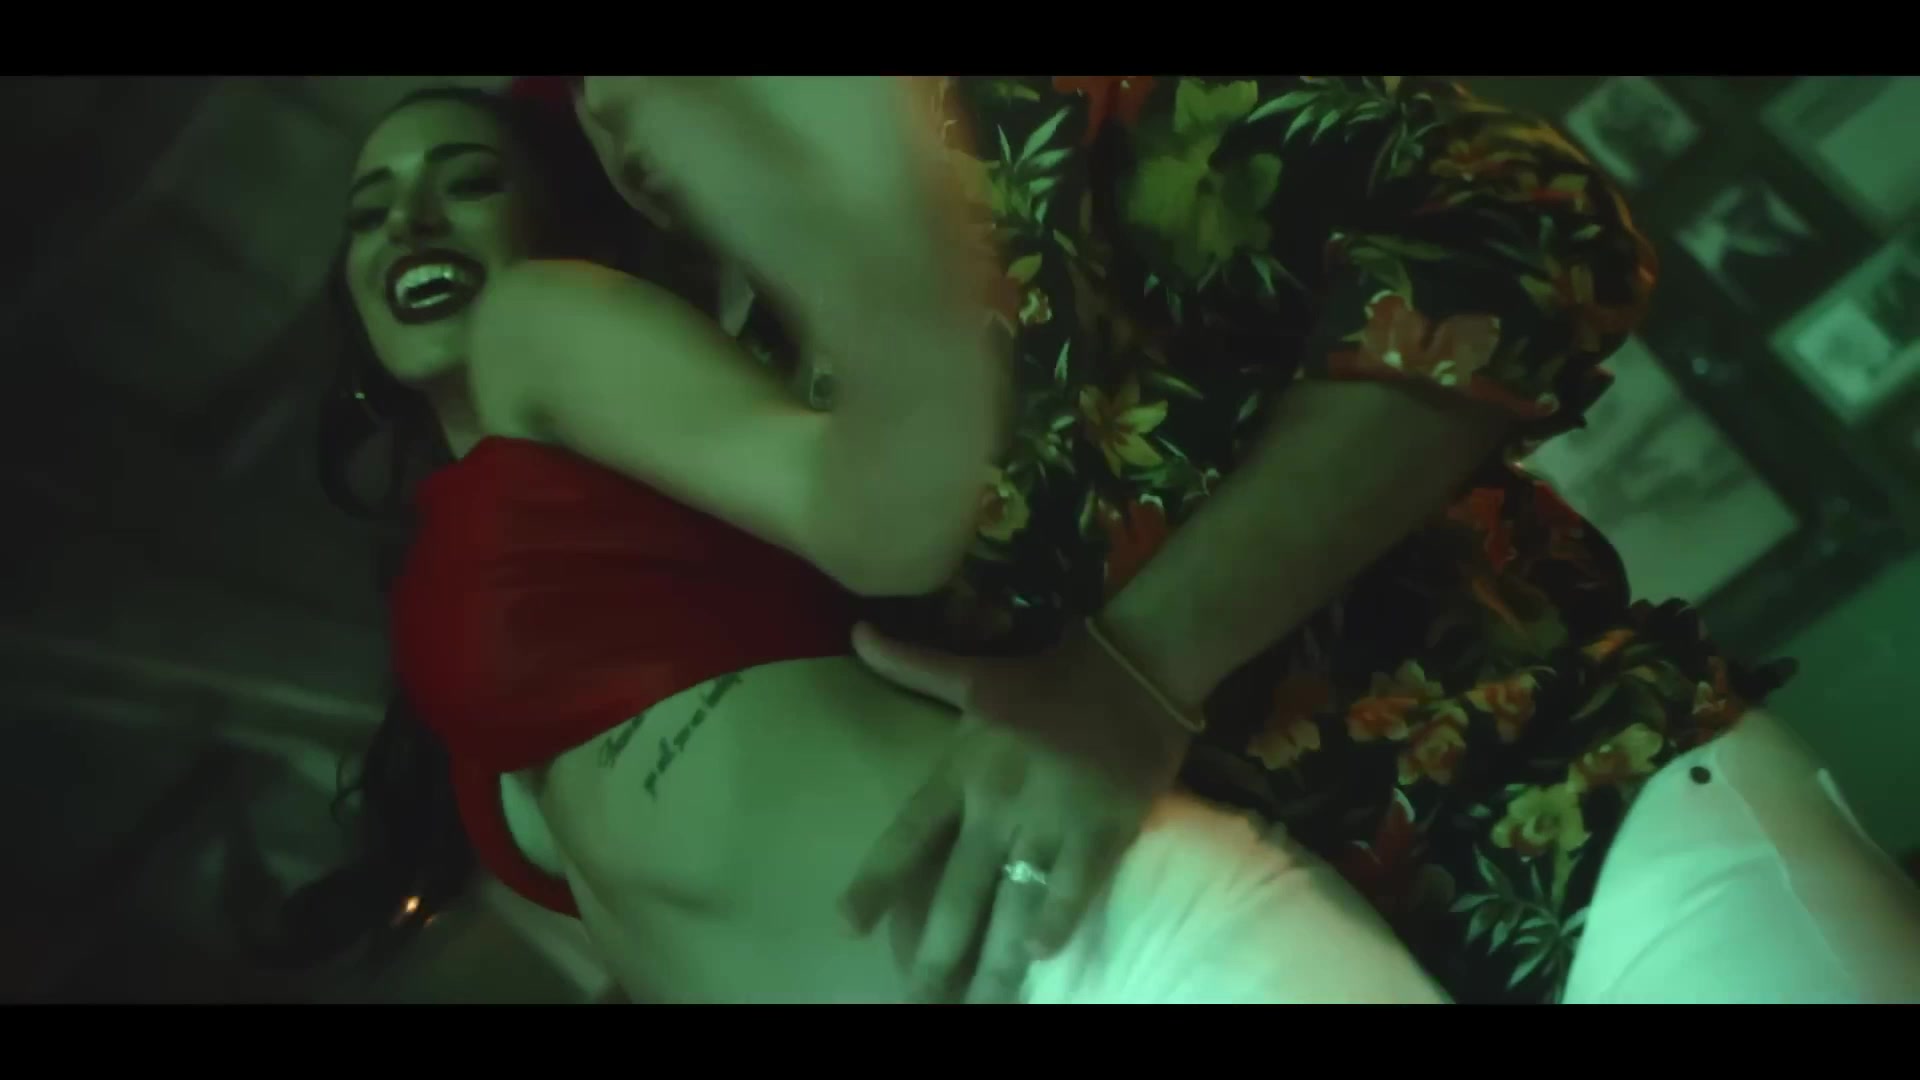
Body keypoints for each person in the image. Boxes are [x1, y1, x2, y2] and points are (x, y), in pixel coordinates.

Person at [566, 76, 1813, 1004]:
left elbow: (1526, 224)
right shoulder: (732, 392)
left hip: (1560, 805)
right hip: (1230, 938)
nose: (613, 102)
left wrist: (1141, 663)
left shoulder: (1055, 117)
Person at [282, 82, 1453, 1004]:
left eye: (468, 181)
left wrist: (893, 260)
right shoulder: (531, 499)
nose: (410, 223)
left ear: (556, 222)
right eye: (367, 211)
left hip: (1095, 957)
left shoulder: (536, 323)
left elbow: (873, 524)